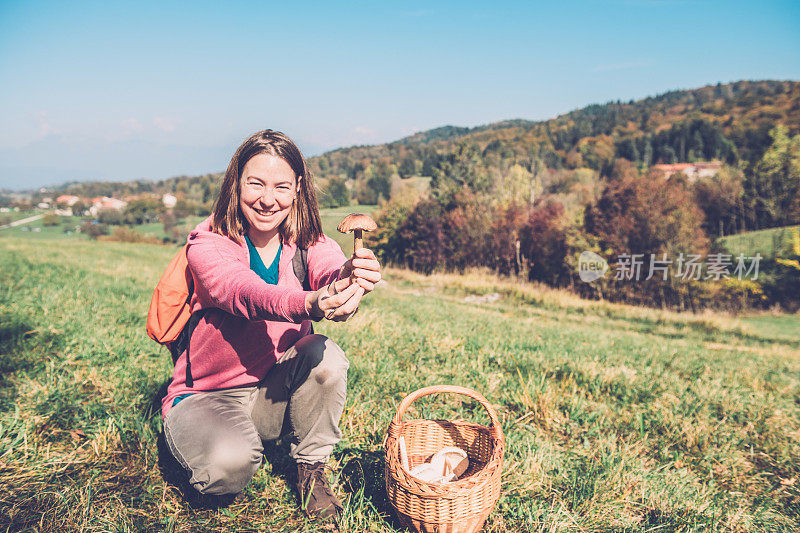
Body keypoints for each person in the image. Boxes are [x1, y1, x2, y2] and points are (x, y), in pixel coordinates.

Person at [160, 129, 381, 521]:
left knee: (325, 355)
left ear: (297, 188)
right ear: (236, 183)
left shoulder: (309, 241)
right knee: (228, 470)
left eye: (281, 186)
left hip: (272, 393)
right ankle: (203, 437)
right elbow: (244, 292)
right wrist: (310, 302)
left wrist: (350, 279)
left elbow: (331, 270)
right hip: (209, 396)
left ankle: (310, 469)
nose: (268, 199)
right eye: (255, 183)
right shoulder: (207, 243)